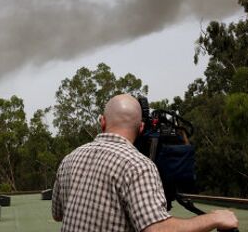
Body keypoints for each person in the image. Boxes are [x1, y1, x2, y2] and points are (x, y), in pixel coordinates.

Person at [51, 94, 238, 232]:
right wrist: (214, 218)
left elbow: (57, 214)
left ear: (103, 122)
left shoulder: (69, 159)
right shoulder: (137, 165)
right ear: (141, 128)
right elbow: (156, 229)